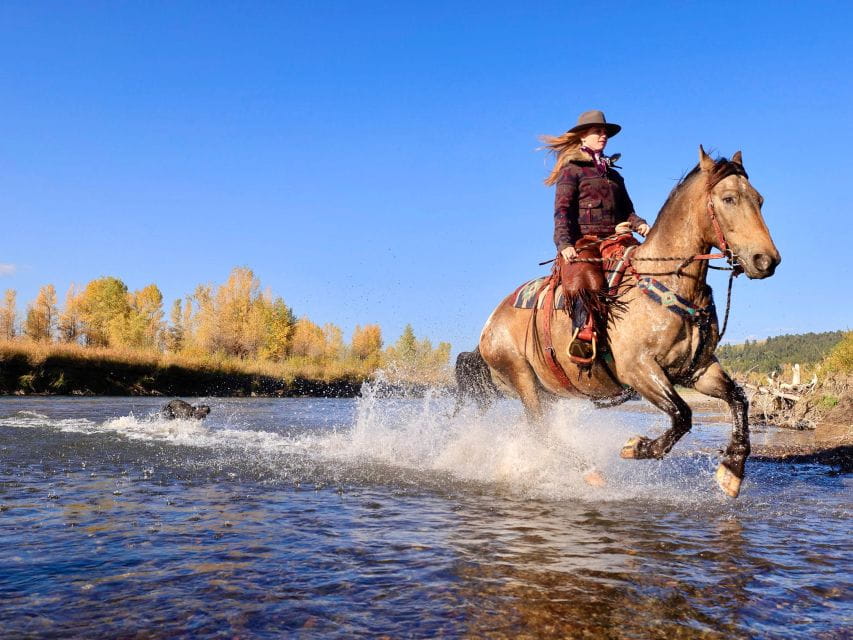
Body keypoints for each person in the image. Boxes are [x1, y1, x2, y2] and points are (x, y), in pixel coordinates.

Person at [541, 110, 649, 360]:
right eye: (597, 131)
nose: (603, 136)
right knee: (587, 281)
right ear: (583, 137)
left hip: (616, 240)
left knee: (644, 268)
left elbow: (628, 212)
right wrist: (565, 243)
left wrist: (639, 224)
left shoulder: (614, 175)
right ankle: (583, 336)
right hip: (584, 243)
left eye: (605, 132)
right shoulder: (572, 170)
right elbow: (562, 211)